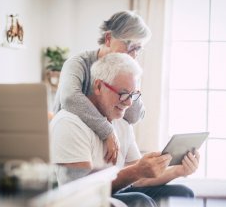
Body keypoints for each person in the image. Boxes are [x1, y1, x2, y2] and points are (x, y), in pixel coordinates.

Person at [50, 53, 200, 207]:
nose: (128, 103)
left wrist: (178, 171)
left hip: (115, 191)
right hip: (82, 200)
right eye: (122, 94)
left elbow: (139, 179)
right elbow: (82, 190)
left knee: (183, 193)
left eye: (132, 94)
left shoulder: (121, 121)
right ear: (98, 86)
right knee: (141, 201)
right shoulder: (69, 123)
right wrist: (137, 171)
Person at [53, 10, 151, 165]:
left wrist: (130, 84)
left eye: (138, 48)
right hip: (72, 144)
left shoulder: (129, 70)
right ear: (108, 38)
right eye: (129, 45)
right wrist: (107, 131)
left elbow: (134, 116)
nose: (133, 54)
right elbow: (70, 98)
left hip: (101, 154)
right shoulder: (78, 63)